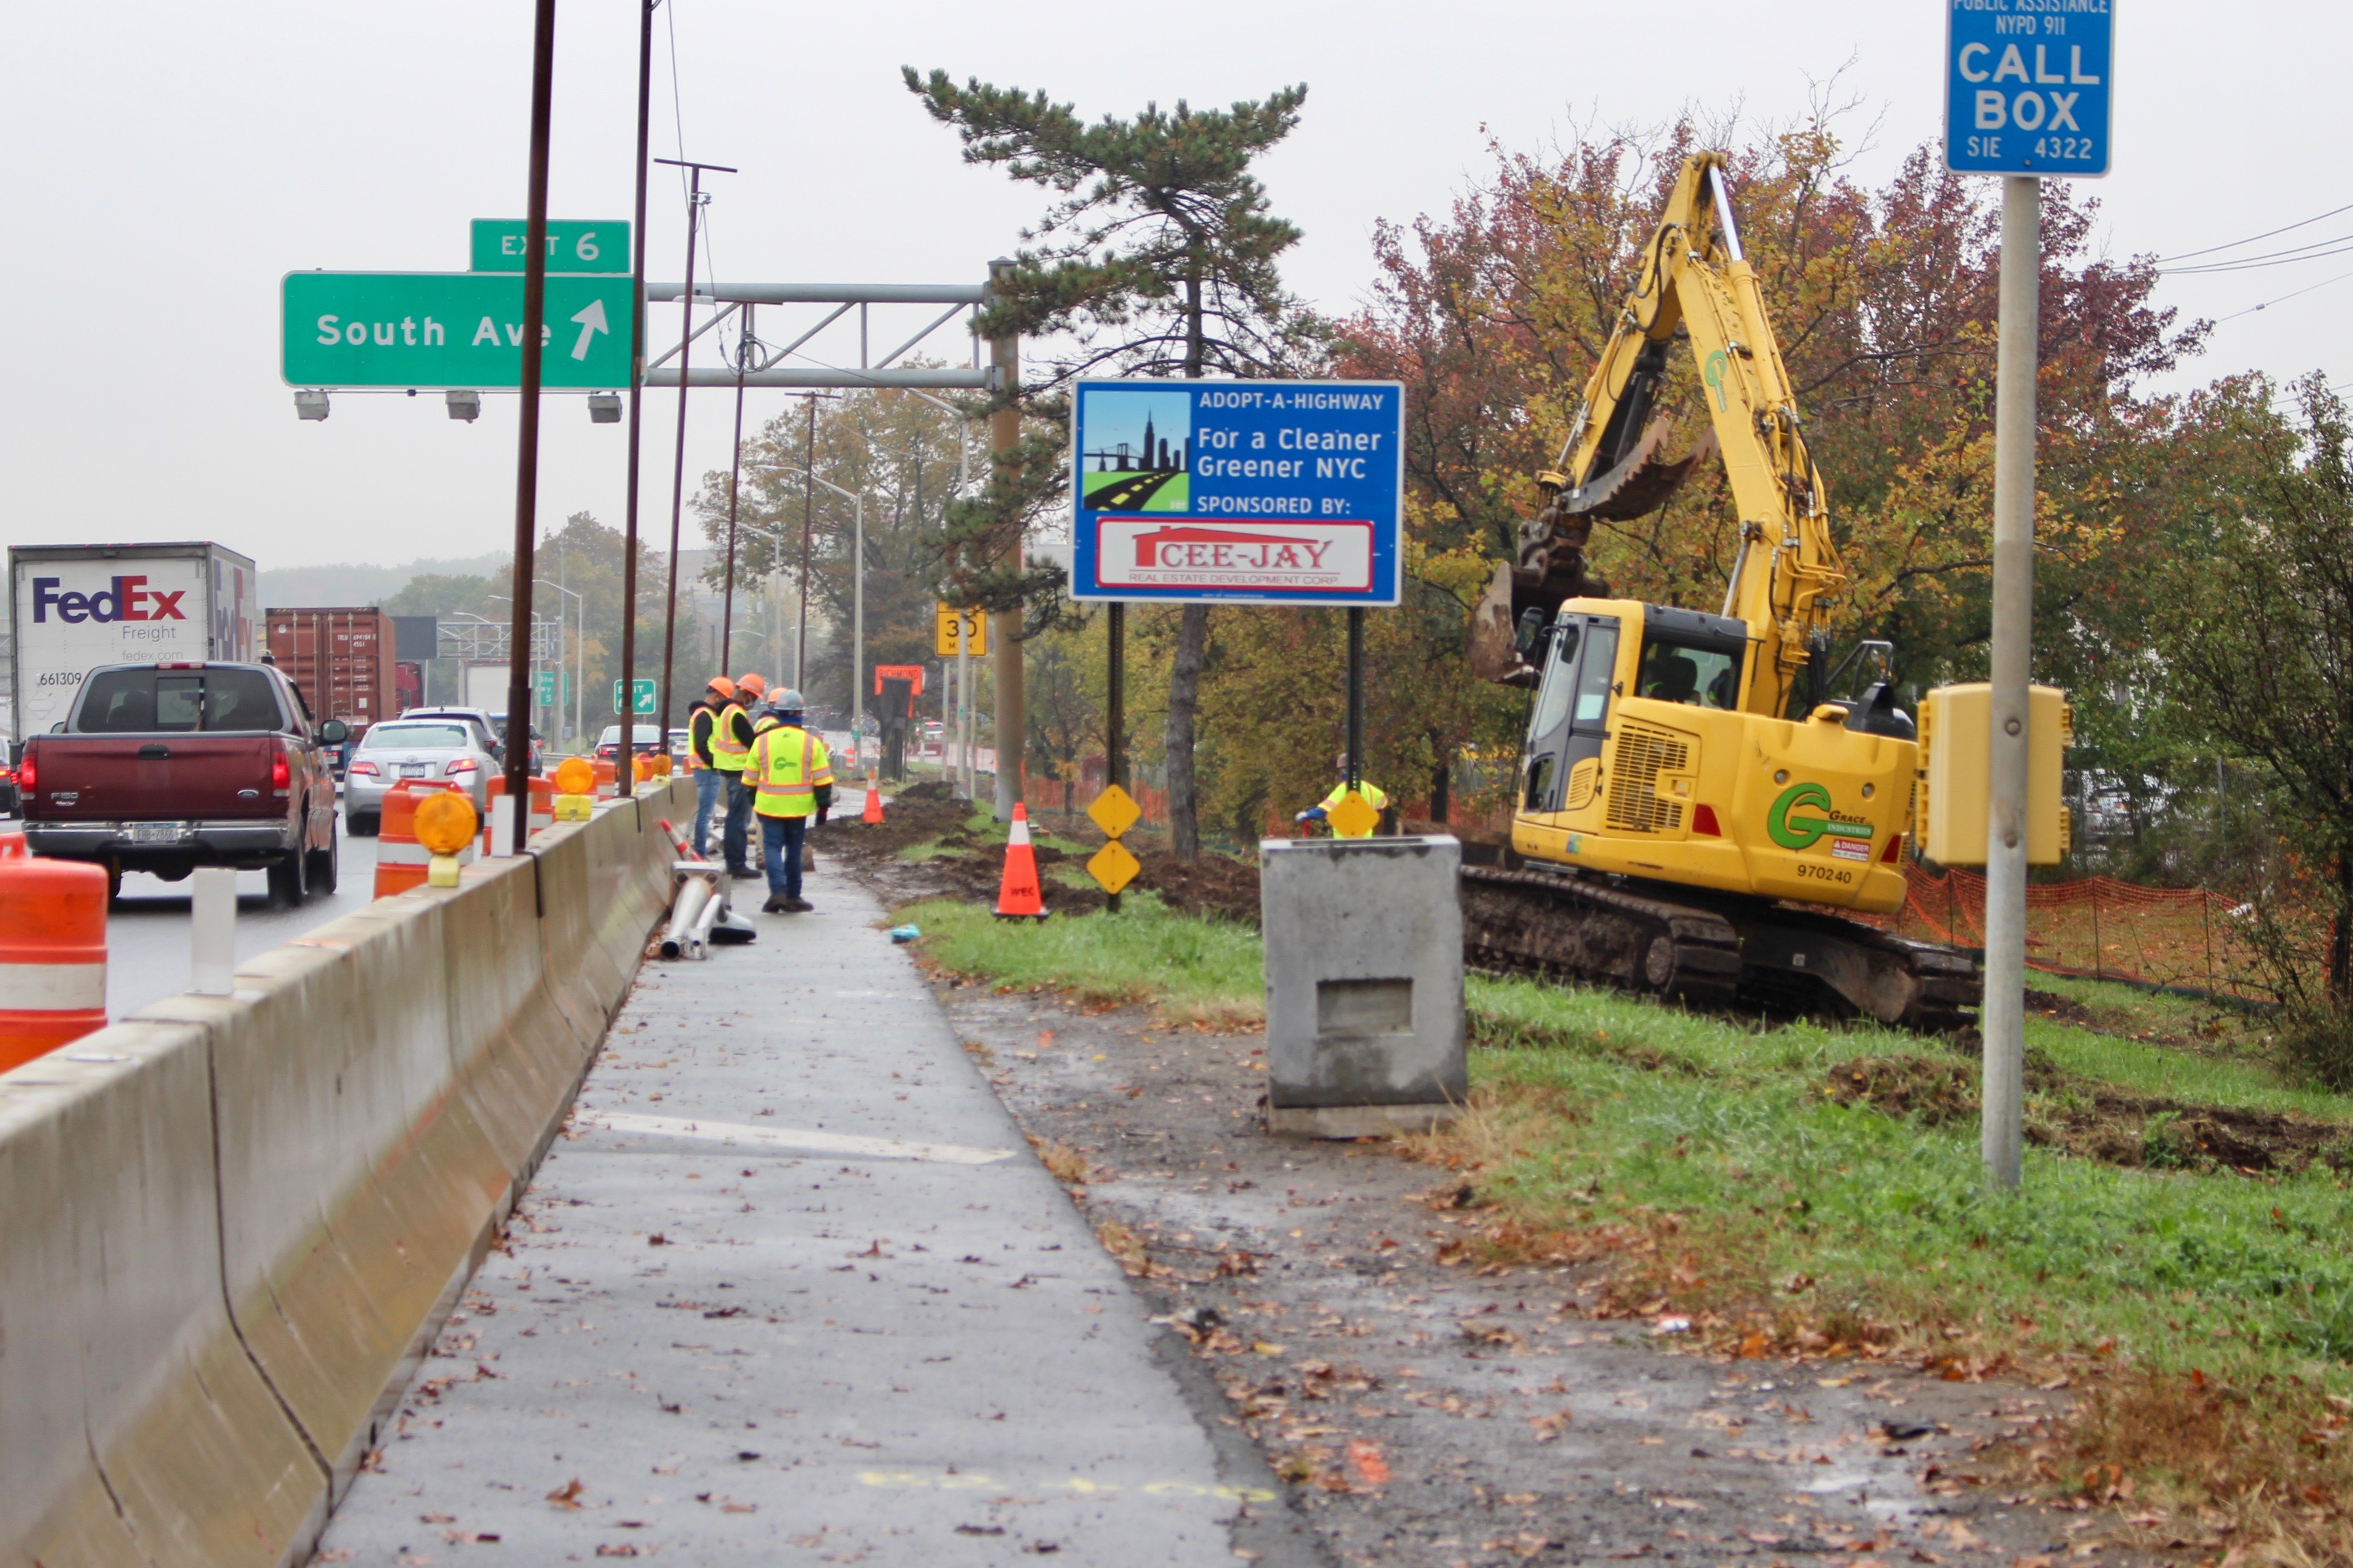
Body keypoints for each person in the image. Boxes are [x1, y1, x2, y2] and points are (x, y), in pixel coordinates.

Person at [745, 687, 833, 913]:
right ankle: (793, 896)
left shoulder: (762, 741)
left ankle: (778, 893)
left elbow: (749, 780)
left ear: (777, 713)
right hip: (798, 807)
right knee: (794, 849)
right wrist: (823, 811)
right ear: (800, 715)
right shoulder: (811, 743)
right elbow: (823, 782)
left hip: (770, 806)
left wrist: (757, 802)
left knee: (773, 848)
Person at [688, 675, 734, 856]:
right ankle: (700, 852)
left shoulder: (703, 714)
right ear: (717, 696)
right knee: (705, 814)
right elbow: (701, 745)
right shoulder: (706, 715)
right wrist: (716, 762)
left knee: (705, 813)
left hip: (705, 770)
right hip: (707, 770)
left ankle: (700, 850)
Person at [1295, 753, 1390, 840]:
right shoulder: (1368, 788)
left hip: (1345, 843)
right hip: (1365, 841)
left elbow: (1324, 810)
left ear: (1344, 771)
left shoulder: (1344, 788)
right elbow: (1384, 801)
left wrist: (1307, 815)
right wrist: (1370, 810)